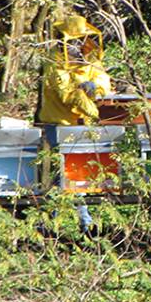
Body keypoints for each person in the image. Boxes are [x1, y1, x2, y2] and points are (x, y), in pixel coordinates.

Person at [38, 14, 112, 235]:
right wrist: (96, 111)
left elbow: (103, 82)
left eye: (81, 40)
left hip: (84, 125)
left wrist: (96, 89)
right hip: (59, 124)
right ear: (63, 40)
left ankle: (67, 220)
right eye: (75, 41)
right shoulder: (54, 63)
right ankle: (57, 221)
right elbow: (67, 95)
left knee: (79, 172)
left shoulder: (90, 57)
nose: (79, 45)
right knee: (67, 172)